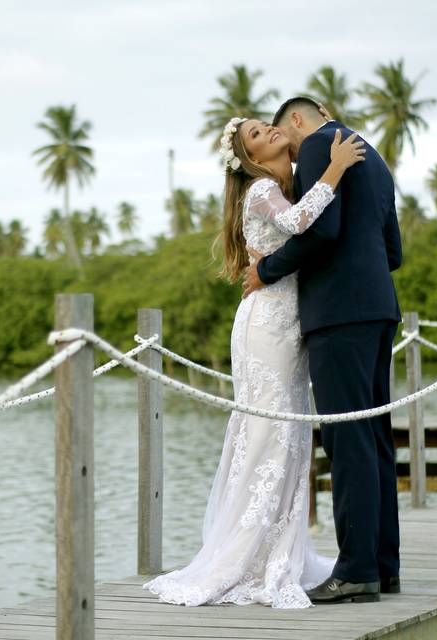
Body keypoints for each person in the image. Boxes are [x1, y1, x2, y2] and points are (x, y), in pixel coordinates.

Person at [143, 112, 366, 608]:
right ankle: (242, 557)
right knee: (267, 435)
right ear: (249, 159)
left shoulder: (285, 183)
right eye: (256, 135)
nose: (268, 130)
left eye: (265, 125)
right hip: (265, 327)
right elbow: (297, 223)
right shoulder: (262, 192)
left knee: (288, 439)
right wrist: (336, 168)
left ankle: (278, 553)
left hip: (289, 323)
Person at [245, 97, 403, 604]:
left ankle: (356, 571)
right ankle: (383, 565)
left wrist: (266, 269)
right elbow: (394, 251)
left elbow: (322, 229)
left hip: (338, 314)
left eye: (279, 135)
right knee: (376, 437)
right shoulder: (371, 155)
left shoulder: (319, 146)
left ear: (295, 120)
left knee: (347, 439)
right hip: (379, 308)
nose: (287, 153)